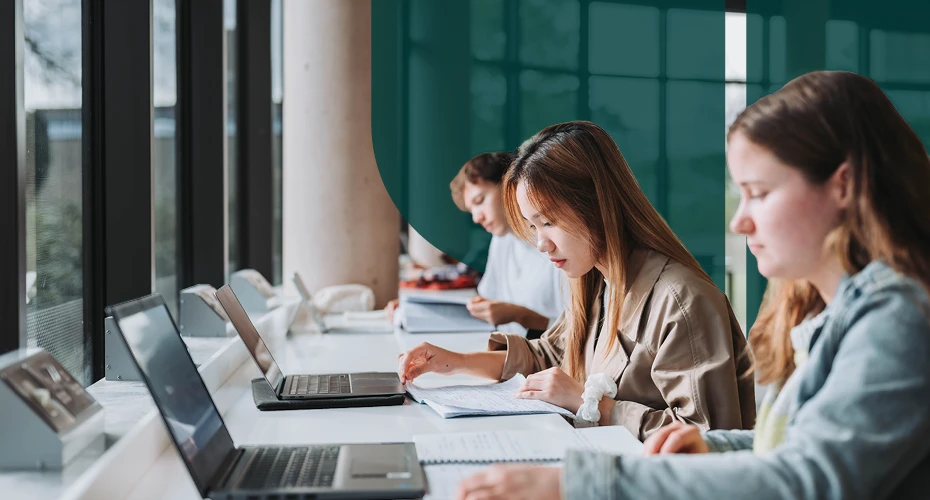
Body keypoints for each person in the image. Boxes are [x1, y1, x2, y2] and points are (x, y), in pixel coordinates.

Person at [455, 70, 930, 500]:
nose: (740, 222)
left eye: (759, 193)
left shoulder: (897, 319)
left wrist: (579, 483)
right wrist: (716, 444)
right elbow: (791, 445)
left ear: (842, 187)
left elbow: (811, 480)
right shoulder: (832, 312)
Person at [398, 121, 755, 440]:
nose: (541, 243)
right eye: (533, 226)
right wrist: (456, 362)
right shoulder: (594, 280)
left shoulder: (681, 301)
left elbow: (710, 439)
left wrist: (596, 406)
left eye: (549, 222)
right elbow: (550, 354)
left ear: (595, 205)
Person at [388, 152, 567, 336]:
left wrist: (520, 316)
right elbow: (484, 303)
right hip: (508, 352)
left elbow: (577, 333)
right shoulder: (503, 240)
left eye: (480, 201)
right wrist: (415, 308)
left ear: (509, 185)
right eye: (471, 210)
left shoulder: (557, 246)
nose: (476, 217)